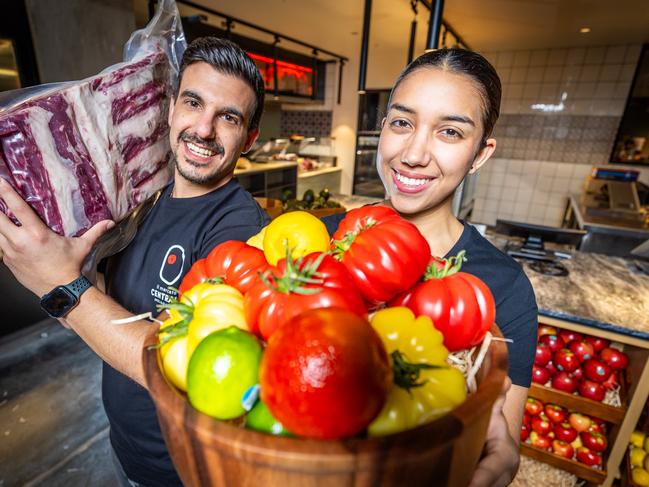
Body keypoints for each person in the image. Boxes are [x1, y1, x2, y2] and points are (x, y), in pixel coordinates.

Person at [0, 37, 269, 486]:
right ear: (171, 108)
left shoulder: (241, 230)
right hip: (126, 449)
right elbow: (95, 309)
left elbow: (178, 360)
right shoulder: (145, 200)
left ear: (249, 139)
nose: (203, 129)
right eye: (193, 103)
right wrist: (54, 272)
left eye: (228, 117)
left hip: (180, 469)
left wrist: (62, 286)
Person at [324, 48, 538, 487]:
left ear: (480, 153)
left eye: (450, 132)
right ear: (382, 129)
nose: (414, 154)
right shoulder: (319, 242)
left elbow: (501, 442)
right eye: (402, 123)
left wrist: (501, 459)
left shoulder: (504, 287)